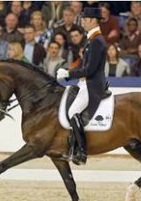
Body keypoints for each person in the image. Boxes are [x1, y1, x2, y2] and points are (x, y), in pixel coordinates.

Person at [56, 7, 107, 165]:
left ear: (93, 20)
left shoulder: (97, 41)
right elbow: (83, 65)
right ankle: (71, 147)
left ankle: (82, 152)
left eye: (85, 19)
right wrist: (68, 71)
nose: (83, 22)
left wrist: (69, 74)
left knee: (73, 111)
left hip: (92, 86)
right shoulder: (92, 40)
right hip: (84, 83)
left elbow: (90, 70)